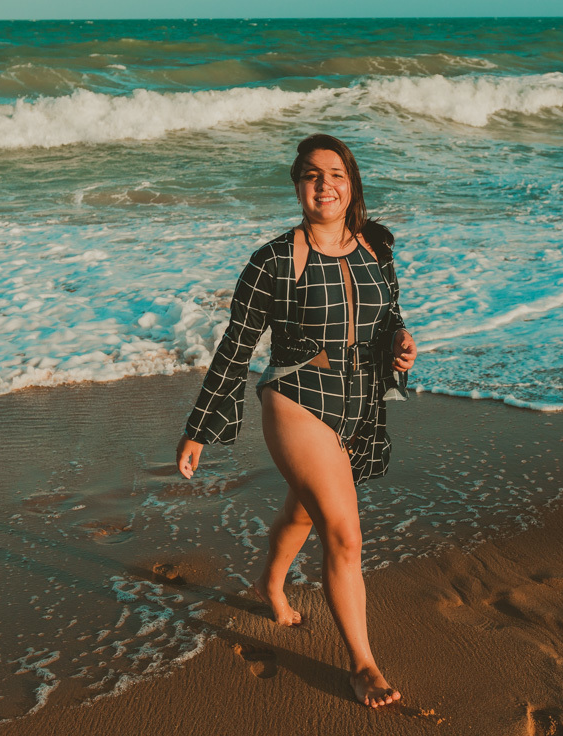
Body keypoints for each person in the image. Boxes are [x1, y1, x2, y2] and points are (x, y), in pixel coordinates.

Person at [175, 133, 417, 708]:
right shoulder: (273, 260)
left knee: (305, 510)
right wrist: (199, 428)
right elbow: (236, 346)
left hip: (357, 401)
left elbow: (389, 319)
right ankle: (362, 664)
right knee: (345, 534)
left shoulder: (377, 247)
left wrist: (401, 348)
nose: (324, 184)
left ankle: (268, 583)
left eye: (334, 173)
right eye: (311, 175)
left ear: (351, 182)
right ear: (297, 184)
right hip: (296, 398)